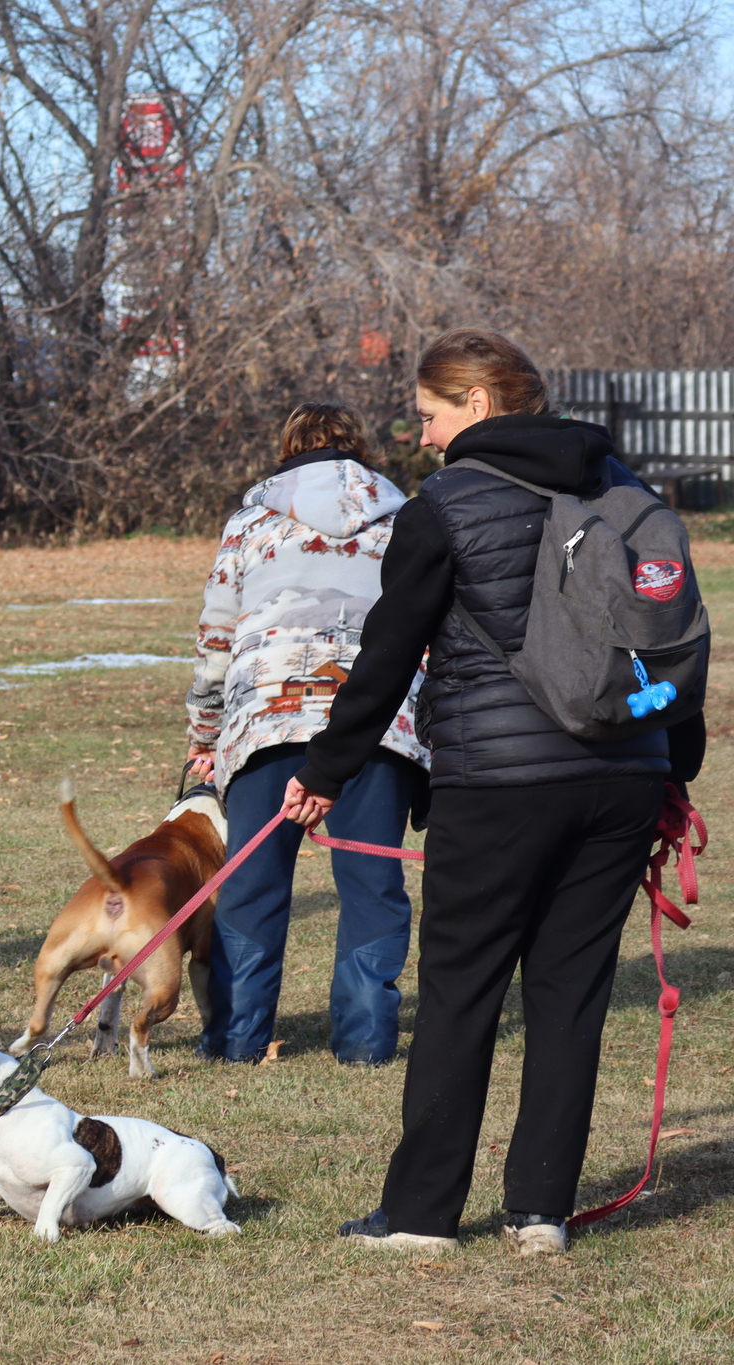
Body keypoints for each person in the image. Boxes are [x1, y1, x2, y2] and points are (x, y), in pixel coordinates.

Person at [282, 328, 706, 1255]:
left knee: (463, 992)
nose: (423, 435)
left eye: (430, 415)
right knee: (569, 998)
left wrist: (323, 772)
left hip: (498, 786)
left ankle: (424, 1216)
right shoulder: (627, 492)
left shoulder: (445, 506)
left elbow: (387, 656)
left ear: (477, 405)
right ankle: (541, 1213)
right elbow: (669, 645)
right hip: (622, 780)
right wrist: (672, 772)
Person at [185, 404, 427, 1066]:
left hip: (267, 718)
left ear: (288, 450)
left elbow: (216, 636)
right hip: (377, 723)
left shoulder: (250, 524)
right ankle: (366, 1040)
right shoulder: (407, 520)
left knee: (253, 883)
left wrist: (204, 732)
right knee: (372, 881)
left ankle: (235, 1039)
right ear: (363, 449)